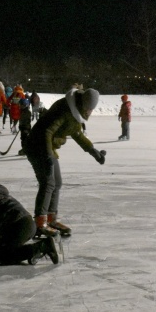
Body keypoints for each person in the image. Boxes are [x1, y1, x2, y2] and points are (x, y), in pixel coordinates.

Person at [22, 87, 105, 237]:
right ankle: (40, 223)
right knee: (48, 182)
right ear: (84, 104)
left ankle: (51, 219)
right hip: (37, 146)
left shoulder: (76, 112)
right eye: (89, 108)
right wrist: (47, 157)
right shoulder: (65, 109)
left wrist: (93, 151)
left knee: (57, 182)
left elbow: (77, 133)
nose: (90, 112)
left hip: (48, 148)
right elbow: (47, 131)